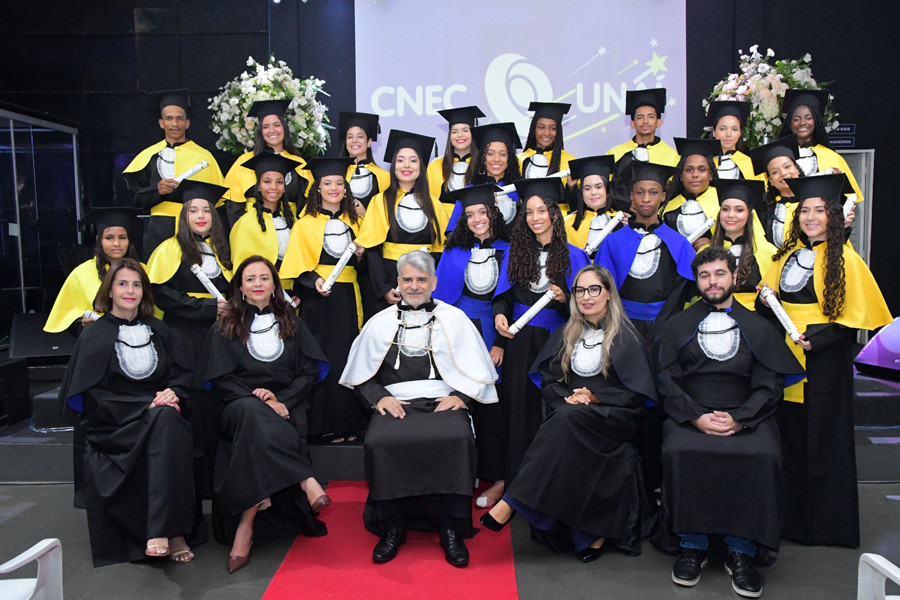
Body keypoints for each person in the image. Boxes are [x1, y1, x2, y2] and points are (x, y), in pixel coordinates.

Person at [481, 265, 657, 563]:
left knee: (566, 420)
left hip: (614, 416)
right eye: (579, 291)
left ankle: (513, 501)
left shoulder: (627, 335)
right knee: (566, 418)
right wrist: (568, 398)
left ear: (608, 293)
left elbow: (637, 394)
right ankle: (590, 533)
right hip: (571, 412)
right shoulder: (567, 333)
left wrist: (596, 397)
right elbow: (550, 381)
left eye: (594, 289)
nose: (586, 297)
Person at [657, 247, 803, 598]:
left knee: (764, 454)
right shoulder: (676, 326)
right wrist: (696, 416)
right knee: (678, 450)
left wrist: (740, 419)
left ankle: (742, 551)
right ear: (696, 281)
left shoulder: (759, 327)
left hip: (747, 413)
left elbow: (769, 385)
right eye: (705, 275)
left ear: (735, 277)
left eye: (720, 273)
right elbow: (666, 379)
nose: (713, 282)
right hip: (692, 411)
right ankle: (692, 546)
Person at [339, 250, 499, 567]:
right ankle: (393, 526)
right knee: (380, 441)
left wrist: (462, 397)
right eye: (408, 279)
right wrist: (379, 398)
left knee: (458, 438)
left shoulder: (455, 319)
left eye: (422, 280)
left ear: (434, 283)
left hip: (442, 400)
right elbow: (361, 375)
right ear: (398, 282)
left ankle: (451, 528)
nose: (414, 286)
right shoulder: (379, 322)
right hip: (396, 401)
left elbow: (477, 370)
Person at [759, 174, 892, 548]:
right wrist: (766, 302)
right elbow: (768, 298)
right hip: (786, 357)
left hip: (825, 363)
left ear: (834, 216)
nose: (811, 217)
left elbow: (854, 319)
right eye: (805, 210)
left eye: (819, 210)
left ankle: (824, 527)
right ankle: (789, 522)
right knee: (789, 438)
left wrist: (815, 340)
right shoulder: (786, 256)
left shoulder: (846, 259)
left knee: (823, 442)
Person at [58, 258, 202, 566]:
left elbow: (179, 374)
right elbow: (93, 395)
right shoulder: (94, 334)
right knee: (166, 422)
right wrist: (143, 405)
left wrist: (173, 392)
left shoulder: (159, 329)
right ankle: (171, 532)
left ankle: (164, 531)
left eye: (137, 285)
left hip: (159, 414)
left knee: (168, 421)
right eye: (122, 284)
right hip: (116, 424)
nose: (130, 291)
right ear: (109, 290)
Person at [199, 256, 331, 573]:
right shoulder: (225, 326)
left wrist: (281, 400)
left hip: (285, 404)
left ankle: (245, 526)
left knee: (259, 430)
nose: (257, 283)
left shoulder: (293, 324)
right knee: (251, 414)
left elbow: (308, 373)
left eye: (264, 278)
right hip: (237, 405)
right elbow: (220, 379)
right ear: (240, 288)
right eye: (250, 279)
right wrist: (260, 401)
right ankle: (305, 478)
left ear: (274, 285)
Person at [594, 161, 695, 501]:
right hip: (624, 329)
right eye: (640, 193)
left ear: (663, 196)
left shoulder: (676, 242)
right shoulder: (614, 242)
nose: (647, 199)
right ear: (631, 198)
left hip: (663, 331)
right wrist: (620, 326)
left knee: (659, 403)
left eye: (653, 192)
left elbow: (682, 289)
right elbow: (606, 290)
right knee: (624, 397)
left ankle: (656, 480)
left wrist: (662, 327)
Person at [493, 177, 590, 483]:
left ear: (554, 214)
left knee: (548, 410)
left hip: (556, 344)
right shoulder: (515, 252)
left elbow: (587, 308)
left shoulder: (575, 255)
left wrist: (565, 300)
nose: (535, 218)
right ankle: (515, 482)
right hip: (519, 342)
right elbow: (504, 297)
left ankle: (549, 482)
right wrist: (499, 317)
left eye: (541, 211)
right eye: (529, 212)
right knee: (517, 411)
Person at [280, 157, 369, 444]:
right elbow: (296, 267)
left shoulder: (357, 222)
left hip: (348, 298)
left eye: (339, 183)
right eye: (327, 183)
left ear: (346, 188)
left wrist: (361, 256)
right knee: (321, 359)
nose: (334, 188)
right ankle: (321, 426)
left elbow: (369, 267)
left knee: (348, 357)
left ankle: (350, 424)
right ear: (317, 188)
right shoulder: (305, 224)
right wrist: (313, 281)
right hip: (317, 301)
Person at [433, 183, 509, 508]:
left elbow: (510, 298)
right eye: (470, 214)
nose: (477, 219)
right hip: (458, 331)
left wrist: (501, 342)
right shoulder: (454, 251)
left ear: (494, 213)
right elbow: (441, 298)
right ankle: (467, 468)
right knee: (457, 399)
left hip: (493, 334)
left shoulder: (509, 248)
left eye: (483, 212)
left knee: (491, 406)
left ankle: (497, 475)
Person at [122, 90, 223, 259]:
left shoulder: (204, 157)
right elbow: (136, 199)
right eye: (169, 118)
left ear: (187, 123)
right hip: (159, 231)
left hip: (195, 230)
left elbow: (218, 204)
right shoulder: (149, 156)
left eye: (180, 118)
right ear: (161, 123)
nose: (175, 124)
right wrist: (157, 190)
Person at [354, 129, 447, 310]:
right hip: (391, 280)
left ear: (421, 166)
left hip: (424, 282)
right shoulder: (380, 201)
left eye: (413, 160)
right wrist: (383, 288)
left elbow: (440, 251)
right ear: (394, 165)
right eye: (400, 160)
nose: (406, 165)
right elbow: (372, 249)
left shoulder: (434, 204)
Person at [44, 208, 142, 334]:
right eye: (109, 238)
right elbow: (69, 319)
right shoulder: (81, 274)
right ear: (98, 240)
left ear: (129, 240)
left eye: (122, 237)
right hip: (98, 340)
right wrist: (82, 323)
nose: (116, 243)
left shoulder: (144, 271)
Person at [220, 99, 313, 229]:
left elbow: (307, 205)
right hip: (253, 228)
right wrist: (244, 231)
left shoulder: (299, 163)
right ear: (260, 131)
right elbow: (233, 206)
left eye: (277, 125)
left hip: (291, 229)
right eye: (265, 127)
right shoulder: (244, 161)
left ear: (284, 128)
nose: (272, 130)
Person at [778, 88, 864, 202]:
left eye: (808, 118)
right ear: (789, 123)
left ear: (816, 122)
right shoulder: (779, 156)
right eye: (796, 119)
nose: (802, 123)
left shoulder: (831, 157)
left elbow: (847, 200)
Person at [707, 179, 777, 310]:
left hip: (753, 317)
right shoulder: (705, 252)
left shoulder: (768, 253)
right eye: (725, 209)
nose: (731, 215)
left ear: (750, 214)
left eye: (739, 210)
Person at [607, 88, 680, 211]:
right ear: (632, 123)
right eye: (640, 117)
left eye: (651, 116)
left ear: (659, 122)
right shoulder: (616, 152)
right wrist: (625, 204)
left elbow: (673, 191)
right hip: (622, 215)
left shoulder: (671, 155)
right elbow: (606, 189)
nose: (645, 121)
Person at [446, 121, 522, 231]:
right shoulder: (469, 192)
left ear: (510, 158)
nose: (496, 159)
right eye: (490, 154)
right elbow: (453, 233)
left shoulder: (520, 192)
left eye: (503, 154)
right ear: (482, 157)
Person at [229, 153, 300, 270]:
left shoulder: (291, 220)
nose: (274, 187)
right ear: (258, 186)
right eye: (267, 182)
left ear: (284, 187)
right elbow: (242, 268)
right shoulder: (245, 223)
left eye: (279, 182)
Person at [661, 138, 721, 250]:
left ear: (711, 175)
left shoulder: (723, 204)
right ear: (680, 175)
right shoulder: (668, 211)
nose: (695, 175)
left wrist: (715, 244)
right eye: (689, 170)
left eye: (702, 170)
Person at [747, 136, 804, 249]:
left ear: (797, 169)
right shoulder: (765, 211)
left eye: (787, 166)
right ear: (771, 181)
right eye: (775, 172)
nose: (783, 173)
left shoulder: (815, 203)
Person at [426, 105, 484, 212]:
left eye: (465, 130)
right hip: (443, 220)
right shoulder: (436, 166)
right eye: (454, 131)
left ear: (473, 133)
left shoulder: (482, 165)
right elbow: (429, 203)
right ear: (450, 136)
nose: (460, 135)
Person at [563, 155, 621, 260]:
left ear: (607, 189)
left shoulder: (621, 221)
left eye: (599, 187)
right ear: (581, 192)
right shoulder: (567, 223)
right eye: (587, 188)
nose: (593, 192)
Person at [339, 111, 391, 213]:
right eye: (349, 137)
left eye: (360, 136)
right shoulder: (337, 174)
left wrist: (364, 214)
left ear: (369, 142)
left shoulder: (383, 177)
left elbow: (386, 214)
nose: (354, 140)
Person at [518, 102, 576, 186]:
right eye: (541, 127)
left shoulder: (570, 162)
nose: (547, 133)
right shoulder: (519, 160)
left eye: (553, 128)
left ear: (558, 131)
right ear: (534, 129)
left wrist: (571, 188)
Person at [705, 100, 756, 180]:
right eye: (722, 129)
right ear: (714, 132)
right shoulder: (704, 164)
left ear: (740, 133)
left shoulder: (749, 164)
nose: (728, 134)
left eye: (734, 129)